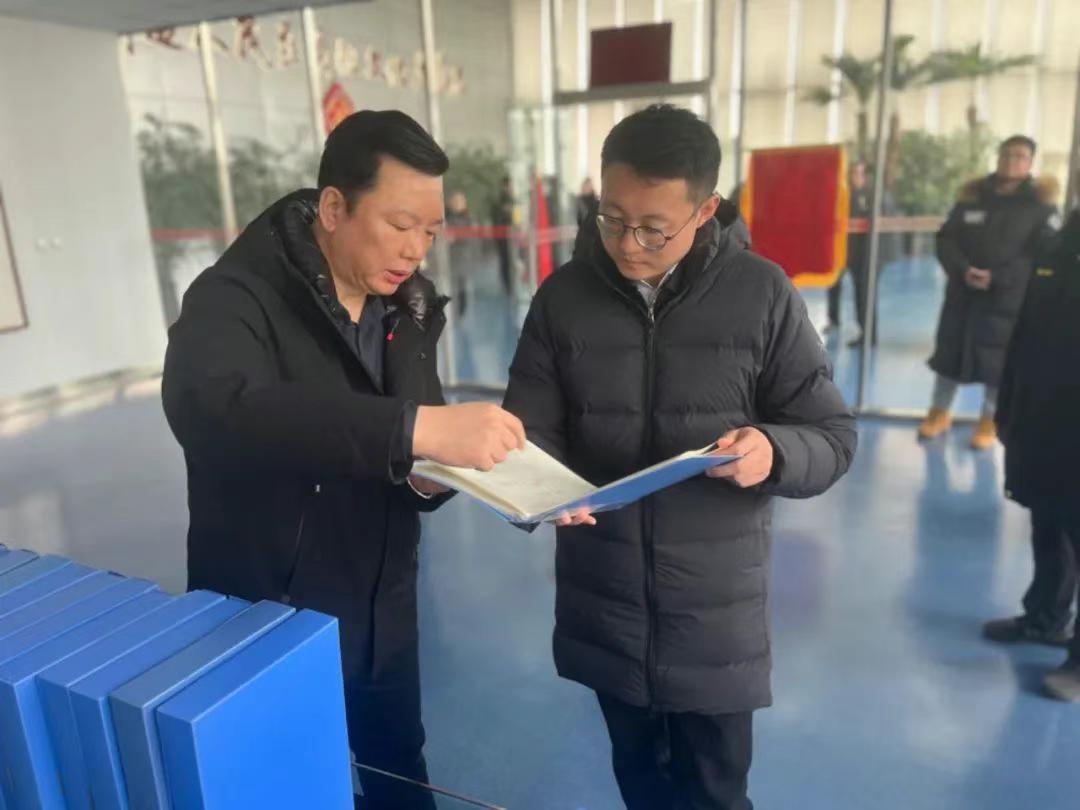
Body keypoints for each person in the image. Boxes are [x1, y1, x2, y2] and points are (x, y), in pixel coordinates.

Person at [161, 110, 526, 810]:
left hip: (384, 602)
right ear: (333, 208)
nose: (415, 249)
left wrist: (433, 476)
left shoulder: (407, 308)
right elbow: (216, 413)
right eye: (400, 224)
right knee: (286, 779)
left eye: (430, 231)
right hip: (272, 607)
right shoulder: (234, 298)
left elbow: (411, 450)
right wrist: (413, 429)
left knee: (398, 766)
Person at [503, 104, 857, 809]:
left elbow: (831, 435)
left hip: (713, 616)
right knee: (638, 782)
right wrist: (532, 491)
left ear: (706, 210)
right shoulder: (563, 298)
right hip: (605, 600)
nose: (628, 244)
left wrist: (773, 450)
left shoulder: (762, 295)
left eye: (653, 228)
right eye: (611, 218)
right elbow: (529, 431)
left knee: (716, 791)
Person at [988, 202, 1080, 700]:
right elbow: (1026, 331)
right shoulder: (1060, 244)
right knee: (1049, 518)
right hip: (1047, 412)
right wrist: (1009, 403)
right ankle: (1045, 618)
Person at [919, 135, 1058, 450]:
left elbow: (1040, 254)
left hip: (1007, 300)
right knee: (949, 355)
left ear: (1030, 163)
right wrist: (962, 270)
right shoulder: (972, 198)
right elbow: (946, 238)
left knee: (999, 364)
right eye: (1006, 154)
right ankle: (939, 412)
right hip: (963, 295)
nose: (1011, 160)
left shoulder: (1039, 207)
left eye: (1020, 156)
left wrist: (998, 278)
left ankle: (990, 420)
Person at [825, 160, 880, 347]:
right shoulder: (843, 195)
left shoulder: (870, 196)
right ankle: (834, 319)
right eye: (854, 173)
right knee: (833, 284)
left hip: (860, 254)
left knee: (863, 293)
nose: (856, 177)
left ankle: (868, 334)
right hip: (841, 251)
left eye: (860, 173)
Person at [490, 175, 515, 295]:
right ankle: (507, 287)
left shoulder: (512, 199)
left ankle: (511, 285)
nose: (510, 188)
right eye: (508, 186)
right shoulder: (500, 201)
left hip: (511, 236)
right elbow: (497, 218)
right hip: (503, 237)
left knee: (511, 261)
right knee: (505, 261)